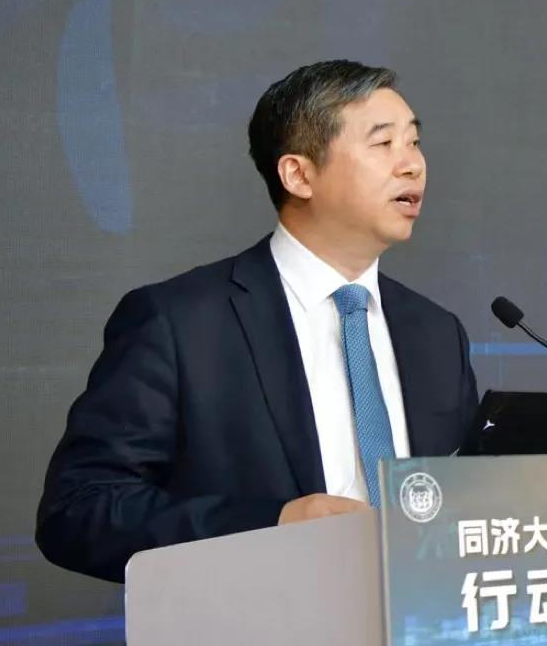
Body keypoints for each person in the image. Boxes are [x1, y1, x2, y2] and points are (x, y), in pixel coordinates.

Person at [35, 60, 479, 583]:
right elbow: (79, 509)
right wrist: (273, 525)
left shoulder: (436, 332)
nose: (413, 165)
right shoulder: (179, 322)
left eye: (414, 142)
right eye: (383, 144)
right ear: (298, 175)